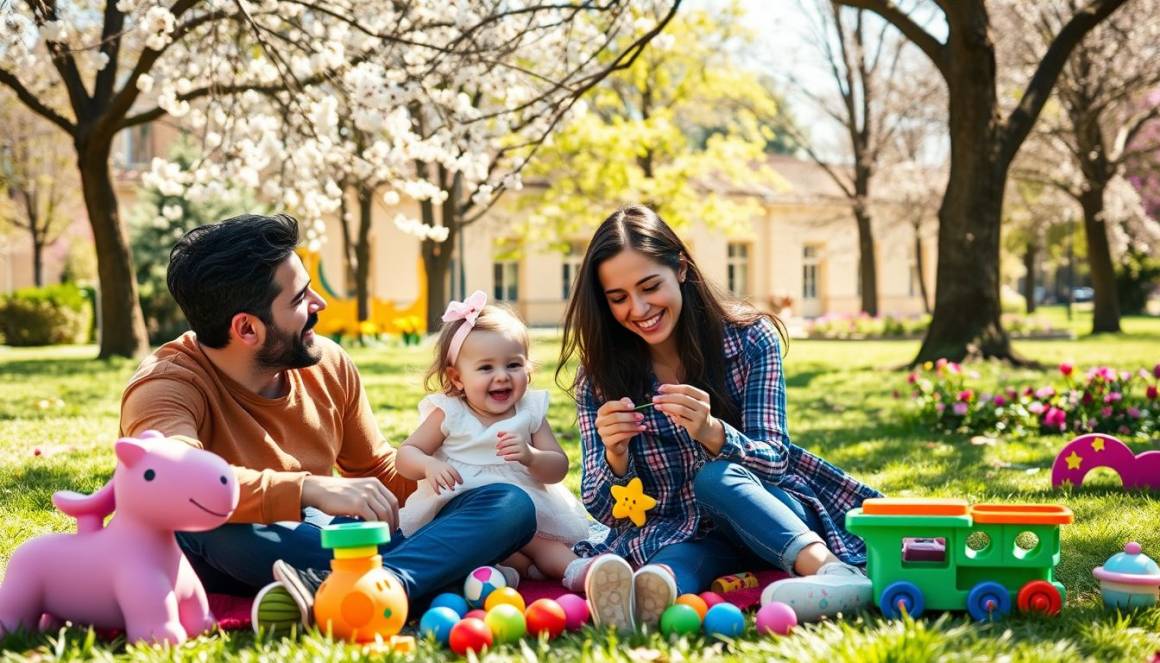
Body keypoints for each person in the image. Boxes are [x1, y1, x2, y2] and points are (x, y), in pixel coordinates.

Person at [119, 214, 538, 630]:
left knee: (509, 504)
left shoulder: (328, 363)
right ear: (246, 328)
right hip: (243, 546)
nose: (319, 304)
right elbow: (175, 482)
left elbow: (378, 472)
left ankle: (373, 587)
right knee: (206, 523)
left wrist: (465, 476)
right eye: (300, 298)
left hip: (331, 540)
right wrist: (308, 488)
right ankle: (410, 577)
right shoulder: (165, 386)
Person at [557, 205, 883, 629]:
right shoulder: (599, 378)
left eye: (649, 286)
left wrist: (713, 433)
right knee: (669, 563)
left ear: (681, 269)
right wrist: (615, 455)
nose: (638, 308)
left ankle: (833, 574)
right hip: (685, 531)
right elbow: (603, 509)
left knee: (715, 479)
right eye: (618, 298)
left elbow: (776, 460)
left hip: (771, 512)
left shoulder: (749, 340)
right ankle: (641, 602)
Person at [395, 291, 590, 583]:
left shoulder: (530, 411)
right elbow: (405, 454)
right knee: (502, 537)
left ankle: (580, 573)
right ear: (457, 378)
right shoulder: (450, 412)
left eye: (513, 365)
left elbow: (558, 468)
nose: (502, 376)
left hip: (524, 509)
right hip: (466, 506)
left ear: (527, 367)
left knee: (540, 541)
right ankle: (516, 569)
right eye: (486, 368)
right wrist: (428, 465)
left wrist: (531, 457)